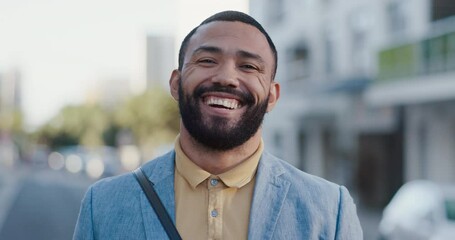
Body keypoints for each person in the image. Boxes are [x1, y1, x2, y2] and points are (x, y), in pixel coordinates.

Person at [73, 10, 363, 240]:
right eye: (208, 60)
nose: (226, 77)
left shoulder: (329, 210)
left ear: (272, 96)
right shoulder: (102, 205)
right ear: (176, 83)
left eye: (249, 66)